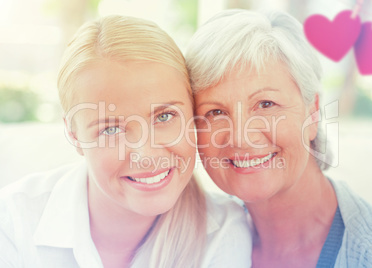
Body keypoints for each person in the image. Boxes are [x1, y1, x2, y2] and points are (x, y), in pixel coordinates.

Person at [0, 15, 252, 268]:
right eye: (110, 130)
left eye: (164, 116)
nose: (146, 153)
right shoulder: (12, 222)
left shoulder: (224, 232)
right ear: (74, 135)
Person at [186, 9, 372, 268]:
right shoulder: (201, 244)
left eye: (266, 104)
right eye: (215, 112)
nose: (242, 137)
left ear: (312, 114)